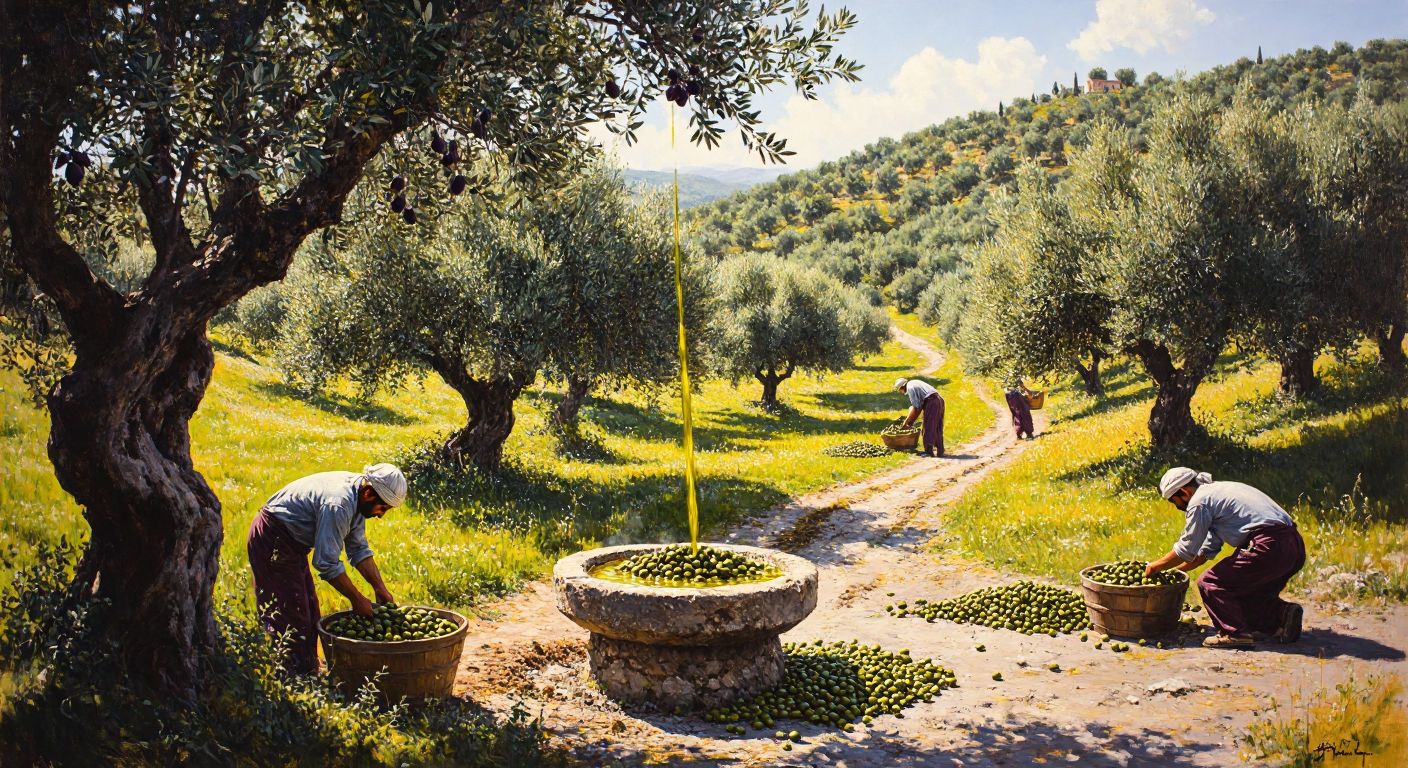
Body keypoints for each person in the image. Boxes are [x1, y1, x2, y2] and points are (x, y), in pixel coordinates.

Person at [247, 463, 407, 674]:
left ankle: (306, 669)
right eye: (383, 508)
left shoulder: (358, 497)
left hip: (291, 542)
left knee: (309, 609)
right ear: (369, 493)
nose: (381, 515)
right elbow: (326, 562)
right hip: (273, 538)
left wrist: (380, 588)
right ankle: (292, 678)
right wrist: (357, 599)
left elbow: (358, 549)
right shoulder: (339, 503)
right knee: (291, 613)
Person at [1146, 467, 1305, 649]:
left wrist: (1155, 567)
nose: (1179, 508)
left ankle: (1234, 634)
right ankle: (1283, 615)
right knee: (1247, 591)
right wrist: (1176, 572)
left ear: (1184, 492)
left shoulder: (1199, 501)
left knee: (1211, 584)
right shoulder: (1219, 491)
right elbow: (1203, 551)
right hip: (1293, 545)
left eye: (1176, 502)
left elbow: (1186, 548)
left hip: (1268, 545)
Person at [894, 377, 944, 457]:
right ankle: (940, 450)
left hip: (932, 402)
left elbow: (917, 408)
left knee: (928, 426)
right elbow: (919, 406)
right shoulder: (914, 382)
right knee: (937, 426)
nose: (901, 392)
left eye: (900, 390)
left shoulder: (910, 388)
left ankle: (928, 451)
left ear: (902, 387)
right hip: (939, 400)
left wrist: (908, 423)